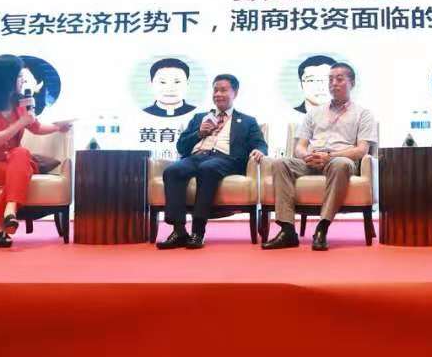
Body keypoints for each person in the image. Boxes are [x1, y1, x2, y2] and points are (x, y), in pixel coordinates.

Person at [260, 63, 377, 251]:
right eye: (330, 79)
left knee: (340, 164)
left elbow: (361, 150)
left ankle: (322, 227)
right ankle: (287, 230)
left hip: (340, 160)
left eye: (339, 79)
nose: (333, 83)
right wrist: (306, 155)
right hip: (312, 161)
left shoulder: (363, 114)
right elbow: (300, 146)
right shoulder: (314, 112)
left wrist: (329, 156)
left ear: (352, 83)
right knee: (280, 163)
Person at [0, 54, 73, 248]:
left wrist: (57, 127)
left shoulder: (19, 102)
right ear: (6, 78)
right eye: (19, 77)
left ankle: (6, 214)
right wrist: (20, 122)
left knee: (21, 154)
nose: (22, 81)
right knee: (22, 168)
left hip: (12, 162)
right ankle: (1, 219)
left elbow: (36, 127)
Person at [157, 73, 268, 249]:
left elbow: (260, 144)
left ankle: (198, 232)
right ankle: (179, 231)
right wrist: (199, 133)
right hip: (196, 157)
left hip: (226, 159)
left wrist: (259, 150)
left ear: (235, 93)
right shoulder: (199, 118)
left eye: (223, 90)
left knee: (208, 168)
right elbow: (181, 146)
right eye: (215, 90)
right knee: (172, 171)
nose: (218, 94)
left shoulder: (247, 121)